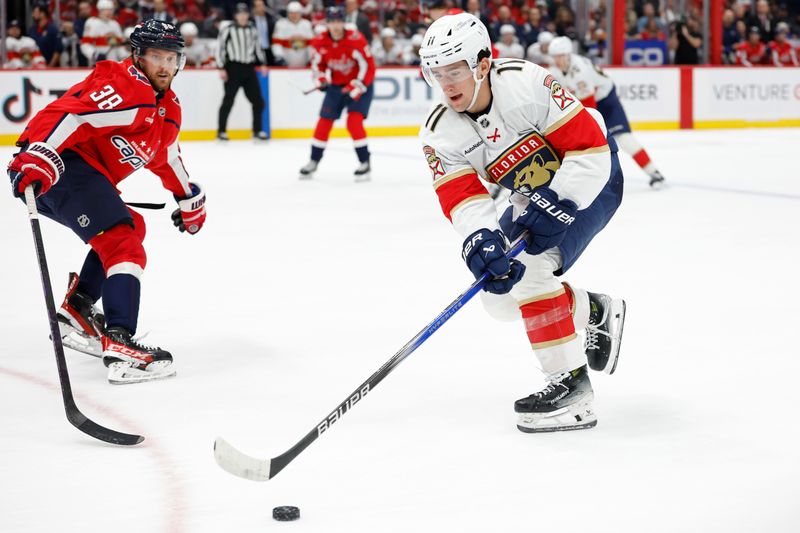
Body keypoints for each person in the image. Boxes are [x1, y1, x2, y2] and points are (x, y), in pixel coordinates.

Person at [418, 13, 626, 432]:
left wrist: (559, 202)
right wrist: (482, 239)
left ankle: (571, 387)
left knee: (531, 273)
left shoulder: (525, 82)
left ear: (481, 63)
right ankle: (595, 310)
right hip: (532, 197)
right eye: (438, 73)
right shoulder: (439, 129)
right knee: (498, 299)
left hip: (590, 177)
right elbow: (462, 197)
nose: (447, 83)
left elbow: (589, 148)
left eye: (455, 70)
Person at [6, 20, 206, 385]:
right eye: (155, 56)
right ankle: (120, 340)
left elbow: (166, 157)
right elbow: (70, 114)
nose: (164, 65)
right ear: (138, 56)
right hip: (58, 167)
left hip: (80, 176)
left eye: (170, 57)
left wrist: (187, 196)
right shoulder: (126, 87)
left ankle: (78, 310)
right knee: (122, 241)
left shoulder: (167, 108)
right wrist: (39, 153)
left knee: (131, 227)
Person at [548, 36, 665, 188]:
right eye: (555, 57)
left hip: (605, 101)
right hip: (587, 101)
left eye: (560, 56)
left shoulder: (579, 71)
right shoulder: (555, 71)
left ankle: (654, 172)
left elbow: (590, 106)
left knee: (623, 138)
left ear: (568, 54)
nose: (557, 60)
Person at [299, 6, 376, 182]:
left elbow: (368, 66)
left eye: (339, 21)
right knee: (324, 122)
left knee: (353, 122)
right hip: (336, 86)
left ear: (344, 22)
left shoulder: (356, 39)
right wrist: (320, 80)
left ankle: (365, 162)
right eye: (332, 22)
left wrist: (357, 86)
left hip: (360, 84)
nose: (335, 25)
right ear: (327, 23)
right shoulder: (320, 42)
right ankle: (313, 160)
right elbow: (317, 66)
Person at [216, 3, 268, 141]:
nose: (243, 16)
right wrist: (221, 67)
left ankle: (257, 131)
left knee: (258, 101)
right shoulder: (228, 29)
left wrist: (262, 63)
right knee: (228, 100)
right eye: (240, 14)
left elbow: (258, 47)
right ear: (235, 16)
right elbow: (220, 48)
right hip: (233, 68)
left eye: (245, 13)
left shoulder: (252, 29)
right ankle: (221, 131)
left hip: (249, 68)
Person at [80, 0, 124, 65]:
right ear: (99, 11)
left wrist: (124, 56)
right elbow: (85, 45)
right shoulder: (91, 23)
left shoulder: (115, 24)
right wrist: (94, 54)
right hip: (96, 64)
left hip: (114, 64)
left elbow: (119, 46)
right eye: (105, 10)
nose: (108, 13)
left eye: (110, 10)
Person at [271, 1, 314, 67]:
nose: (294, 15)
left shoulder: (307, 24)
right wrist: (279, 57)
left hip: (304, 65)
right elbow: (276, 44)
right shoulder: (280, 24)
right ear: (287, 13)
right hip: (286, 65)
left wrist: (311, 58)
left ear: (300, 13)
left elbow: (312, 45)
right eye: (291, 13)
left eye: (296, 13)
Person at [29, 2, 62, 67]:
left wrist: (49, 67)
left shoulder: (53, 30)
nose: (33, 15)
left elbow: (58, 50)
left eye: (35, 12)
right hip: (35, 68)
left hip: (51, 68)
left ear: (43, 13)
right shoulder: (31, 30)